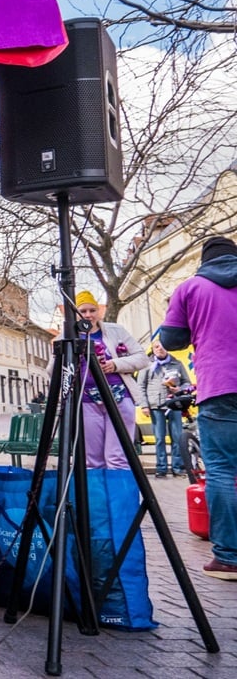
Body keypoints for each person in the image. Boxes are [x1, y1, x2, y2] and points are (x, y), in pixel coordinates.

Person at [161, 235, 237, 580]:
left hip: (220, 386)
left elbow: (171, 340)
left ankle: (229, 556)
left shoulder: (191, 288)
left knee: (221, 471)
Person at [74, 289, 148, 470]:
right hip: (86, 401)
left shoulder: (116, 331)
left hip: (119, 397)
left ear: (99, 311)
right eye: (83, 311)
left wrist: (115, 364)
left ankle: (121, 498)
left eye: (92, 310)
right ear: (76, 315)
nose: (88, 315)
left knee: (118, 458)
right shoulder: (70, 336)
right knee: (93, 461)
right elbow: (53, 370)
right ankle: (98, 498)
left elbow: (142, 358)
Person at [137, 337, 193, 478]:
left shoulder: (176, 364)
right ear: (153, 350)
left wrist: (180, 388)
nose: (160, 349)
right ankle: (161, 468)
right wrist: (144, 405)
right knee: (159, 438)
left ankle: (177, 467)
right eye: (157, 347)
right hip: (156, 405)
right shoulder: (147, 366)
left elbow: (187, 382)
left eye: (162, 346)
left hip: (174, 405)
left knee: (177, 437)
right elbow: (141, 387)